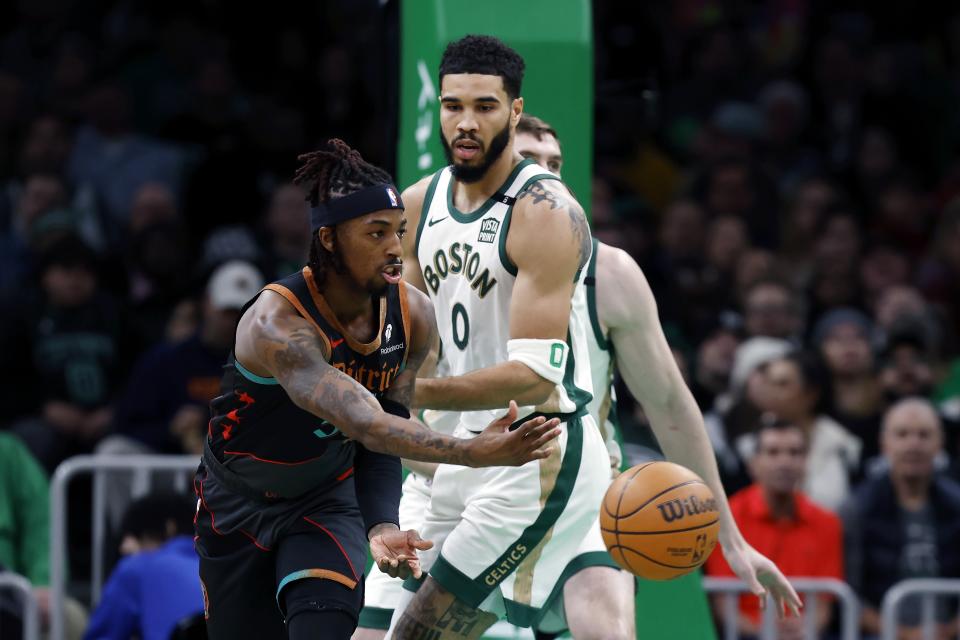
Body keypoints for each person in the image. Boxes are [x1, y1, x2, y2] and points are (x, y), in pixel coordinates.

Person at [386, 35, 800, 639]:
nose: (548, 178)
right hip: (458, 460)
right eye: (455, 107)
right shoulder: (425, 209)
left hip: (559, 464)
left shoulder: (602, 264)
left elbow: (665, 400)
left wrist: (729, 539)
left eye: (555, 167)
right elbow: (405, 350)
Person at [194, 138, 560, 640]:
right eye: (376, 233)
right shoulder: (277, 324)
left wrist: (383, 524)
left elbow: (382, 435)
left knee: (322, 624)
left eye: (400, 232)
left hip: (325, 499)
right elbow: (364, 422)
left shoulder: (414, 315)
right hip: (237, 503)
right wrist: (473, 452)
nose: (394, 247)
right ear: (328, 239)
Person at [706, 417, 843, 639]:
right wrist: (767, 634)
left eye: (794, 453)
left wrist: (803, 631)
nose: (784, 462)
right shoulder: (725, 520)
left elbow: (823, 605)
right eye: (773, 452)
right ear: (753, 463)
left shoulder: (827, 523)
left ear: (806, 462)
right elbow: (724, 606)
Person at [841, 398, 960, 640]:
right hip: (880, 633)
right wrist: (904, 634)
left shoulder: (957, 504)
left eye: (924, 435)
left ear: (940, 443)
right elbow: (848, 592)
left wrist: (950, 630)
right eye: (902, 434)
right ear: (884, 443)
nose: (913, 444)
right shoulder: (857, 508)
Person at [83, 493, 203, 640]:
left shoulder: (137, 567)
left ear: (169, 527)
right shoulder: (221, 565)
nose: (124, 548)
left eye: (135, 535)